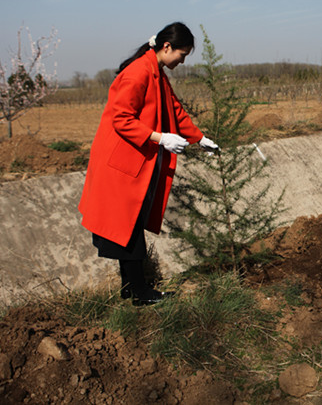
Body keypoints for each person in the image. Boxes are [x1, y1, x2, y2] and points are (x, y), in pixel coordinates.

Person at [78, 22, 219, 305]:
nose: (182, 61)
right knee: (126, 229)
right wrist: (159, 138)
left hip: (134, 164)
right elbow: (121, 119)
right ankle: (140, 293)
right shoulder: (138, 73)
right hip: (119, 167)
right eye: (182, 54)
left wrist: (199, 138)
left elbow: (174, 110)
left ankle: (131, 288)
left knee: (129, 229)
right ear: (166, 47)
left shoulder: (156, 72)